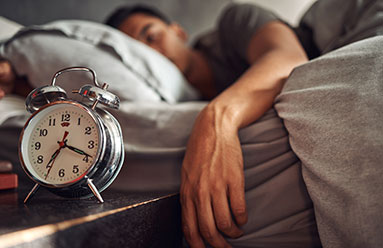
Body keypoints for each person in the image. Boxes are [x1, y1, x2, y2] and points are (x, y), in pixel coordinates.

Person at [105, 3, 314, 248]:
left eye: (151, 36)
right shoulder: (171, 101)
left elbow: (289, 58)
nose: (151, 54)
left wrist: (216, 120)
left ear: (178, 32)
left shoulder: (234, 22)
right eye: (139, 53)